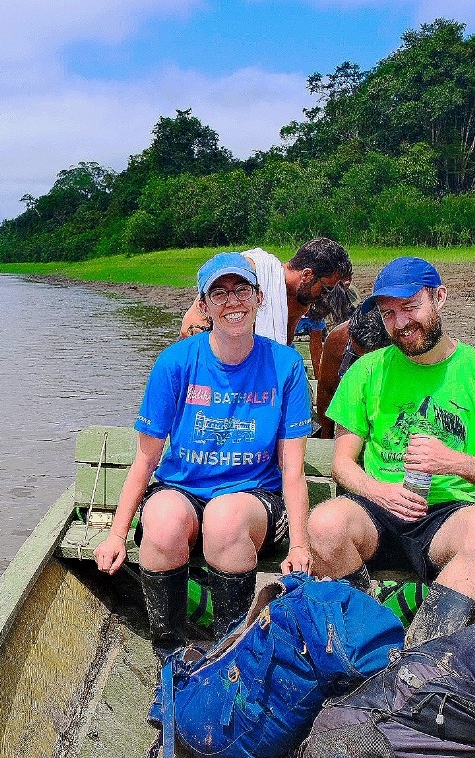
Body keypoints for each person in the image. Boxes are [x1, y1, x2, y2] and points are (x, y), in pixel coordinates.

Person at [306, 256, 475, 647]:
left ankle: (419, 656)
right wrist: (378, 491)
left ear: (439, 298)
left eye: (410, 307)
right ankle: (366, 643)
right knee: (325, 522)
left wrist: (453, 461)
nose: (400, 324)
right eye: (388, 313)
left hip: (449, 515)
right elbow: (342, 463)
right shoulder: (366, 371)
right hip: (378, 509)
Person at [96, 252, 314, 659]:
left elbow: (294, 469)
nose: (233, 302)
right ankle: (171, 656)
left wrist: (300, 545)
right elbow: (145, 459)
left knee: (225, 518)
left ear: (259, 298)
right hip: (182, 489)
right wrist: (116, 534)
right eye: (220, 293)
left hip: (253, 500)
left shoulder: (285, 365)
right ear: (204, 305)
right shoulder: (176, 362)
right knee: (160, 522)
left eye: (242, 290)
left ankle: (229, 655)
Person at [178, 238, 351, 346]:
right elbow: (190, 326)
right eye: (326, 288)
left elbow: (283, 345)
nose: (327, 295)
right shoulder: (252, 270)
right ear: (307, 274)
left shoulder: (301, 303)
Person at [315, 307, 391, 438]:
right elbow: (326, 390)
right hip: (351, 412)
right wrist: (326, 435)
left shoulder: (400, 341)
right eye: (361, 353)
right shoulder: (337, 339)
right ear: (350, 333)